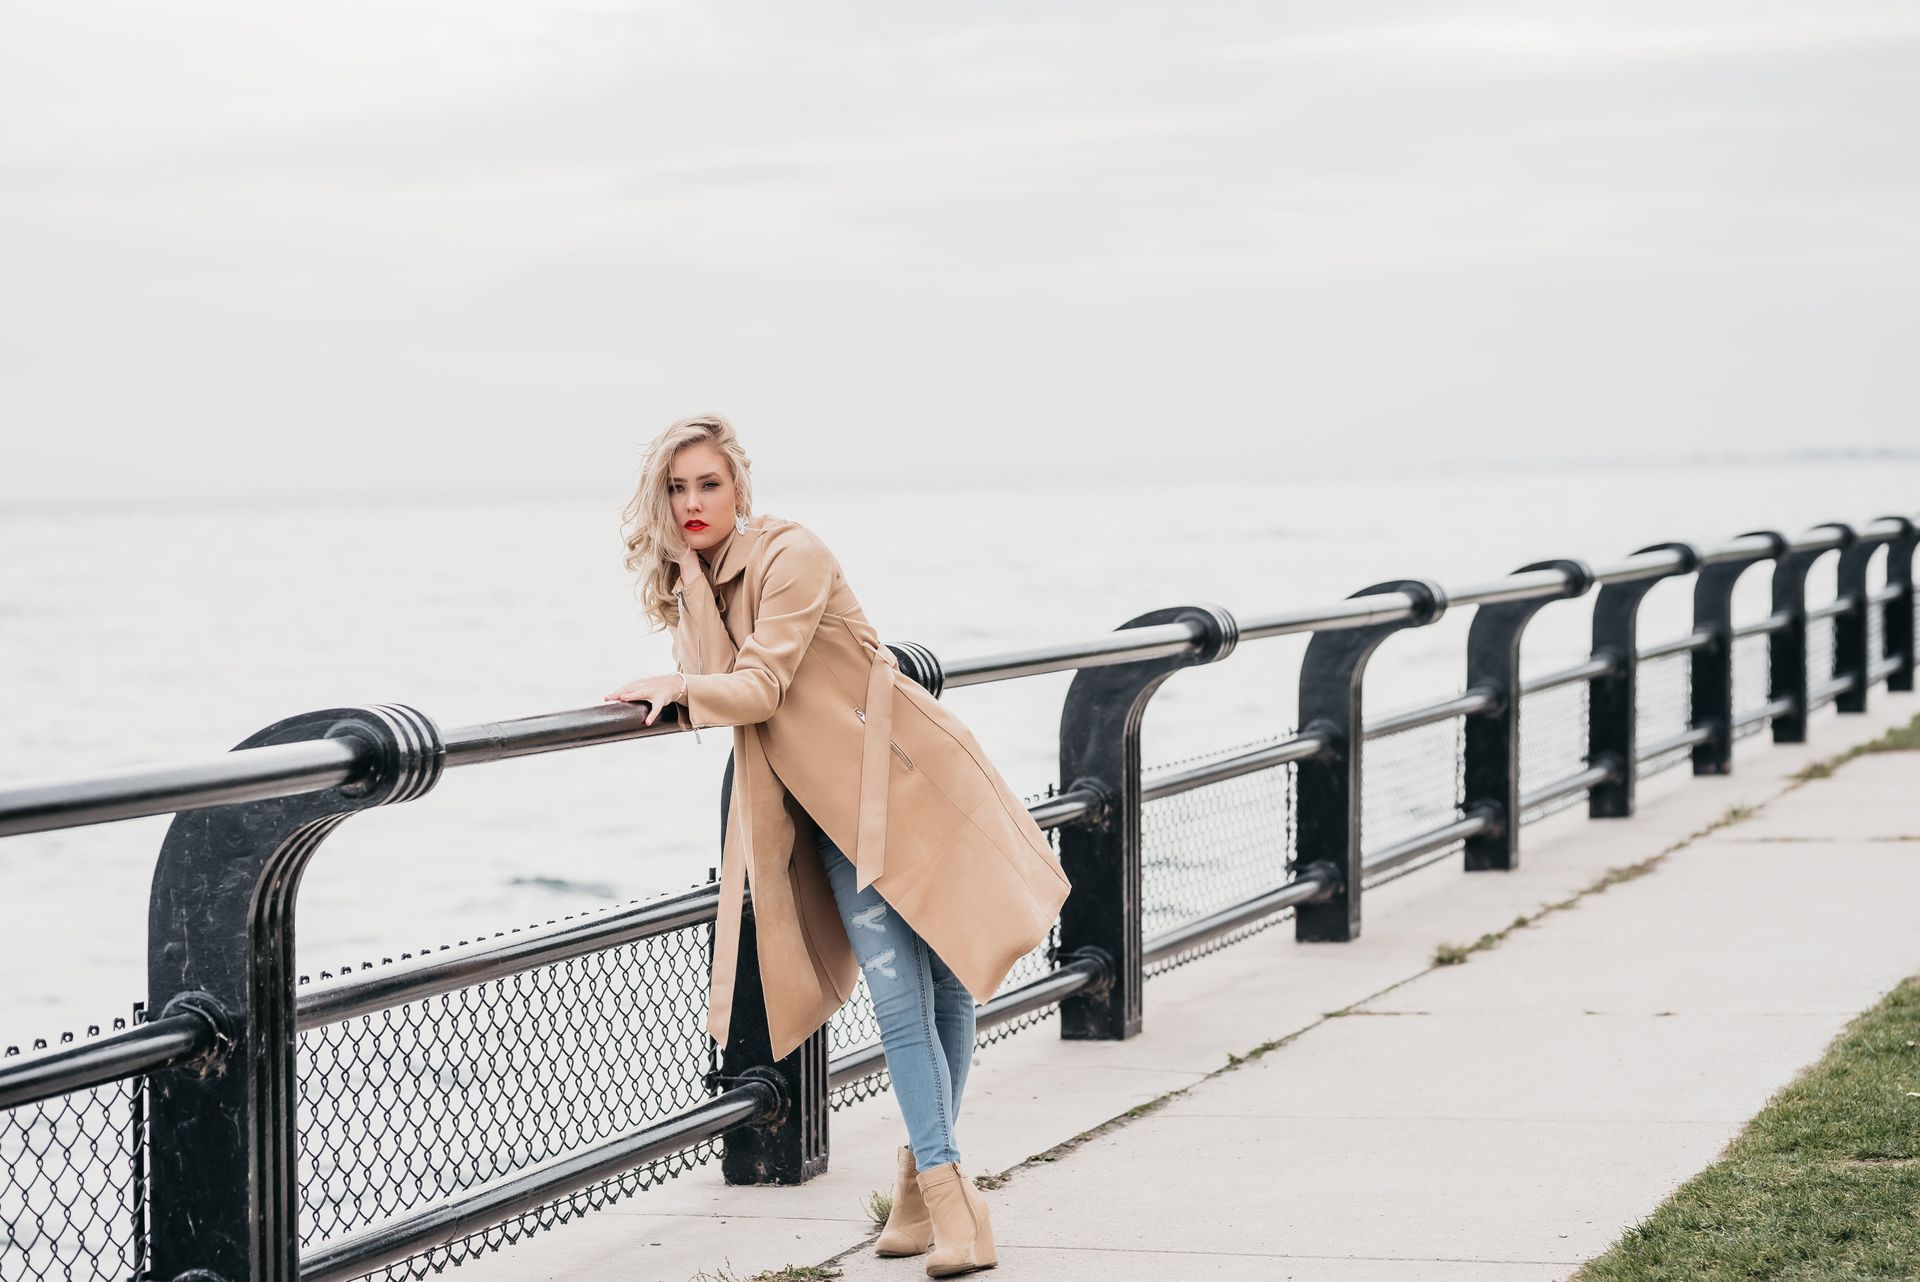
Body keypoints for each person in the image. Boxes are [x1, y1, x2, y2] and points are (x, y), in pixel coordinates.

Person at [605, 413, 1071, 1278]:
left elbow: (760, 684)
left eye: (708, 484)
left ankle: (942, 1190)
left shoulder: (793, 554)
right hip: (826, 809)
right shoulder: (696, 579)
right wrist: (684, 597)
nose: (693, 501)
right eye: (676, 488)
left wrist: (680, 682)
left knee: (929, 985)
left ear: (741, 487)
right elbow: (735, 688)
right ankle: (926, 1186)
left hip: (898, 785)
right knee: (917, 989)